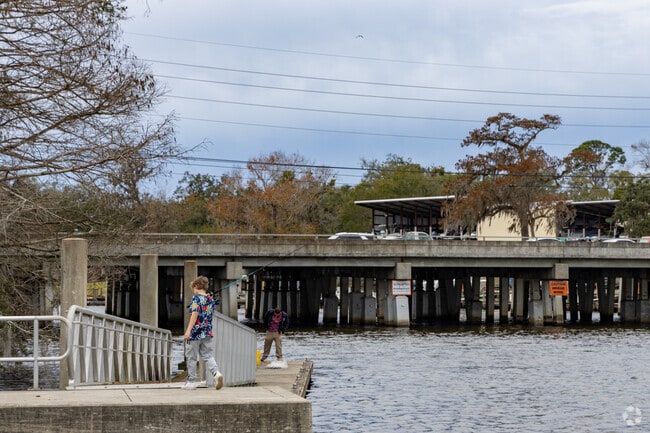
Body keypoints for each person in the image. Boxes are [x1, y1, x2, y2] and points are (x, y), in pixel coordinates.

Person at [183, 275, 224, 390]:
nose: (193, 290)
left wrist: (188, 331)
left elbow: (195, 314)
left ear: (196, 286)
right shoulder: (210, 299)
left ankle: (191, 382)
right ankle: (217, 374)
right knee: (208, 355)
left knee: (191, 356)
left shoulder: (196, 298)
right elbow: (209, 314)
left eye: (193, 288)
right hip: (207, 331)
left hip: (195, 332)